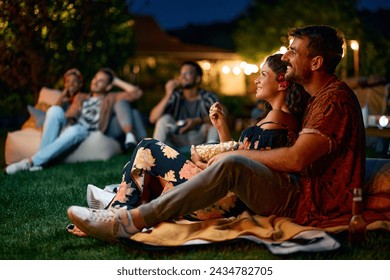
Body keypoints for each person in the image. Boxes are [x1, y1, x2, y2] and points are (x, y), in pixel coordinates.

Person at [67, 25, 366, 244]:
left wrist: (233, 152)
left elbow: (298, 158)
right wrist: (229, 145)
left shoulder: (334, 99)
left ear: (316, 63)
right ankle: (117, 208)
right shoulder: (319, 99)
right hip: (296, 192)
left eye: (293, 51)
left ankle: (124, 218)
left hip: (307, 202)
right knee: (211, 161)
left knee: (221, 162)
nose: (285, 57)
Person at [66, 53, 309, 237]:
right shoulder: (272, 119)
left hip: (225, 202)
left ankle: (112, 212)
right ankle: (113, 207)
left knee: (149, 147)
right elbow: (240, 160)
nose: (256, 80)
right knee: (151, 165)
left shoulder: (279, 122)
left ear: (282, 83)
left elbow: (248, 172)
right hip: (225, 194)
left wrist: (208, 166)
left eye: (263, 75)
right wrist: (221, 128)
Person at [5, 68, 145, 174]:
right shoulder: (81, 97)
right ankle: (39, 163)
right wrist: (65, 118)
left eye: (101, 80)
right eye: (95, 78)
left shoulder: (110, 97)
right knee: (54, 111)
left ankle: (29, 162)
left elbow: (137, 93)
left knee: (76, 129)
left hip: (86, 130)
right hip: (73, 125)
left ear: (108, 87)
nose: (95, 81)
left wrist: (115, 80)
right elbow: (69, 113)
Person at [149, 61, 220, 149]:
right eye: (181, 74)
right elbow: (152, 119)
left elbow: (221, 116)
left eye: (187, 73)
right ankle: (156, 152)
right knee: (164, 119)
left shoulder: (208, 97)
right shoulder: (175, 96)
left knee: (215, 124)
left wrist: (197, 121)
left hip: (200, 140)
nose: (182, 77)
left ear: (198, 79)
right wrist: (168, 94)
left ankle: (211, 153)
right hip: (177, 138)